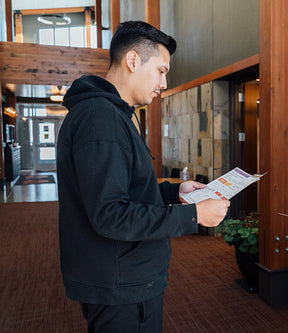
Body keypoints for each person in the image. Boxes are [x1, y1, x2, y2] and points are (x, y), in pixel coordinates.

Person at [57, 21, 230, 332]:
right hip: (120, 281)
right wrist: (192, 215)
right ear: (133, 61)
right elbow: (110, 215)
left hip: (125, 275)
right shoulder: (101, 118)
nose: (164, 83)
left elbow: (123, 187)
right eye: (162, 71)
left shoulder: (113, 114)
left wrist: (173, 193)